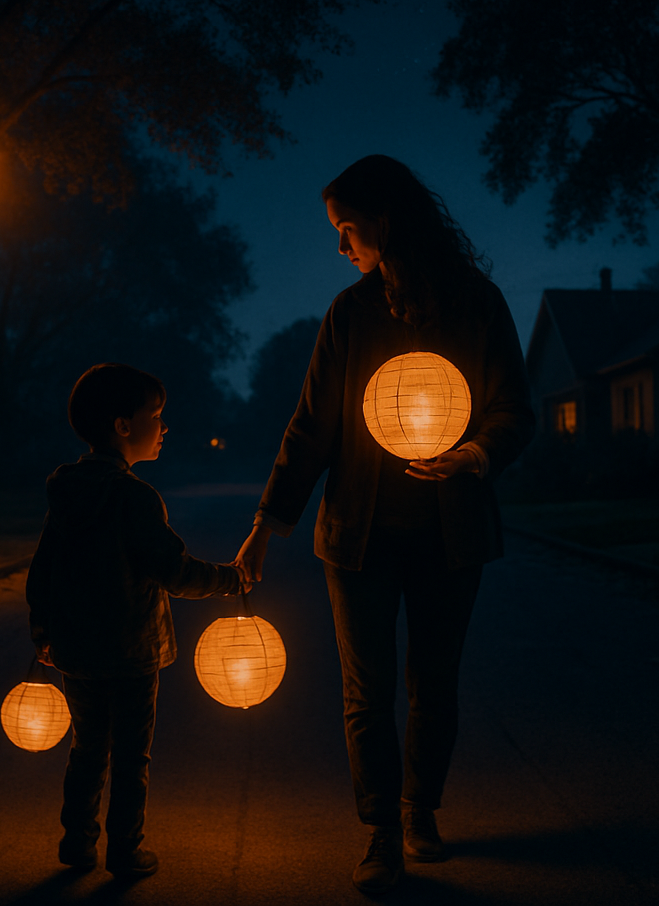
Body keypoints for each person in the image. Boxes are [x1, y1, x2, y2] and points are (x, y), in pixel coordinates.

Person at [236, 155, 534, 895]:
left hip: (451, 530)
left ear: (387, 221)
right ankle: (380, 832)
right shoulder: (350, 314)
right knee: (366, 691)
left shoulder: (478, 304)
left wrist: (475, 453)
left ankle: (420, 811)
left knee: (433, 684)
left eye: (347, 230)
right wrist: (266, 522)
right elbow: (312, 430)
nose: (341, 249)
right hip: (358, 537)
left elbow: (514, 411)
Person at [26, 362, 244, 878]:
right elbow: (174, 571)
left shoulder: (66, 491)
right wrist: (230, 580)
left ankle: (77, 842)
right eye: (156, 416)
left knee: (85, 749)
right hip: (133, 651)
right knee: (130, 756)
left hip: (76, 651)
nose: (164, 427)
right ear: (123, 426)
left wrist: (44, 632)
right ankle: (126, 849)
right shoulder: (136, 497)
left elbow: (43, 570)